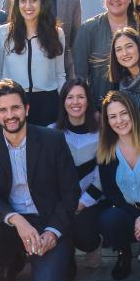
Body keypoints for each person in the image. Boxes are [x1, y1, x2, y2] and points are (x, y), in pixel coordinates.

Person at [0, 79, 80, 281]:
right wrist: (16, 219)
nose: (10, 115)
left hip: (47, 220)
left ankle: (58, 257)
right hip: (11, 221)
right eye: (3, 110)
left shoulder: (53, 140)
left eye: (15, 107)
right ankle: (12, 260)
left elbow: (70, 193)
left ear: (26, 109)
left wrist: (53, 232)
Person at [97, 91, 140, 281]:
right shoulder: (106, 152)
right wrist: (136, 216)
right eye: (112, 116)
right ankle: (123, 253)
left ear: (133, 114)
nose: (119, 120)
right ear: (107, 121)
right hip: (127, 212)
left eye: (123, 113)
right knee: (109, 219)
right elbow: (112, 194)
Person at [48, 79, 106, 268]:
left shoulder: (102, 135)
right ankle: (66, 253)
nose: (75, 102)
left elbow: (101, 178)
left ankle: (94, 246)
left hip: (88, 201)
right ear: (63, 102)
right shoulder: (51, 133)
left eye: (81, 97)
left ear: (88, 101)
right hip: (59, 201)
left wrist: (80, 205)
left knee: (86, 238)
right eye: (70, 97)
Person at [0, 0, 66, 126]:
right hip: (13, 102)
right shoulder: (3, 33)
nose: (28, 6)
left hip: (48, 103)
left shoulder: (56, 33)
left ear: (42, 3)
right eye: (23, 1)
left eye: (33, 0)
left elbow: (60, 74)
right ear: (17, 4)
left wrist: (63, 101)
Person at [73, 0, 138, 109]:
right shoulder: (88, 29)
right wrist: (89, 111)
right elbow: (79, 76)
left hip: (137, 107)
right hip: (99, 109)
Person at [108, 27, 140, 129]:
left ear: (139, 47)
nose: (125, 53)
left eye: (129, 46)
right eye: (119, 49)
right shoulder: (120, 86)